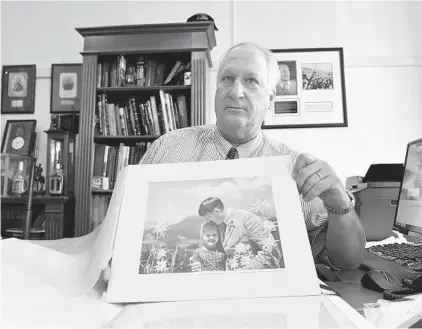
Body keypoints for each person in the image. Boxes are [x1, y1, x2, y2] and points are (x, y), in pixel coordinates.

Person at [102, 42, 365, 281]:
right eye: (227, 79)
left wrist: (340, 203)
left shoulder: (295, 169)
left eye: (251, 81)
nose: (235, 91)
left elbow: (348, 261)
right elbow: (120, 235)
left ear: (270, 100)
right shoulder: (167, 149)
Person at [194, 197, 282, 270]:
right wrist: (202, 265)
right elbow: (219, 253)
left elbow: (271, 250)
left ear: (217, 211)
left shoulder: (247, 218)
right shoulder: (218, 224)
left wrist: (246, 271)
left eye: (209, 217)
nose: (208, 221)